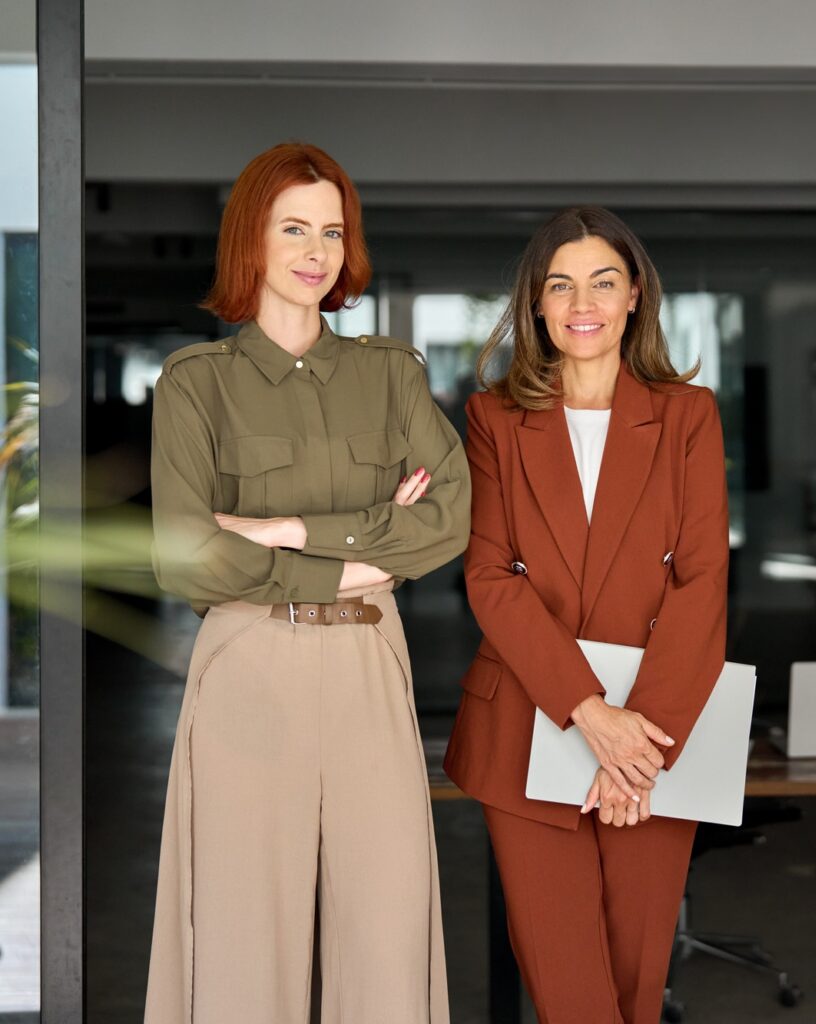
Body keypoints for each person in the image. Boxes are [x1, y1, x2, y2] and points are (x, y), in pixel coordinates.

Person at [144, 142, 469, 1024]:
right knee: (247, 935)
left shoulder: (391, 375)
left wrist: (279, 530)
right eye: (294, 228)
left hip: (368, 659)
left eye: (332, 230)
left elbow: (446, 523)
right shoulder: (194, 385)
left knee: (388, 927)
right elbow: (185, 558)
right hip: (249, 660)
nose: (316, 250)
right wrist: (371, 543)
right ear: (252, 238)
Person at [444, 206, 729, 1024]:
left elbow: (703, 580)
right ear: (536, 303)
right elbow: (491, 575)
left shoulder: (687, 416)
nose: (583, 302)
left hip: (656, 739)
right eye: (560, 284)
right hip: (533, 726)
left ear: (635, 295)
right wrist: (592, 714)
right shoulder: (495, 418)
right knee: (571, 993)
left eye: (603, 281)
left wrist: (638, 743)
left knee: (637, 987)